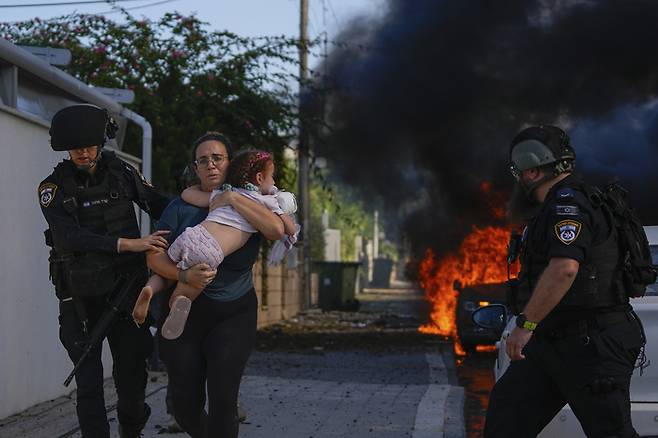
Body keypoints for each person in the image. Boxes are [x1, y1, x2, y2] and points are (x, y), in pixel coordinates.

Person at [484, 125, 646, 437]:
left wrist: (525, 325)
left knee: (610, 432)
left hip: (592, 345)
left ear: (531, 171)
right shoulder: (561, 204)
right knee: (506, 420)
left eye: (518, 171)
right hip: (553, 344)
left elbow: (564, 269)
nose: (517, 179)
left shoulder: (567, 205)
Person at [38, 104, 172, 438]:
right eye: (76, 146)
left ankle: (132, 428)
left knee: (131, 376)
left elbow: (160, 205)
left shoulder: (123, 174)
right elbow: (69, 237)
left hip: (126, 290)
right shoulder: (52, 188)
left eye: (89, 144)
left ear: (101, 142)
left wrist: (208, 211)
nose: (83, 152)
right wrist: (129, 244)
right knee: (88, 381)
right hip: (79, 296)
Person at [146, 132, 286, 437]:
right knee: (185, 407)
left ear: (231, 164)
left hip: (233, 313)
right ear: (195, 167)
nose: (210, 165)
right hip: (185, 313)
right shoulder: (180, 207)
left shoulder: (250, 200)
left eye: (217, 158)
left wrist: (232, 197)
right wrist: (183, 276)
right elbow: (154, 259)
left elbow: (276, 229)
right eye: (203, 160)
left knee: (223, 398)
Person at [132, 149, 297, 339]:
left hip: (192, 235)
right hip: (211, 251)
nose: (274, 183)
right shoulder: (266, 202)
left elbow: (188, 194)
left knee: (167, 270)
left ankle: (149, 289)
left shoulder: (224, 192)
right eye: (272, 178)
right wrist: (283, 211)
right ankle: (179, 301)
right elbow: (288, 230)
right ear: (259, 178)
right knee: (191, 285)